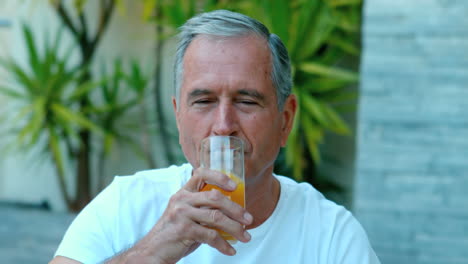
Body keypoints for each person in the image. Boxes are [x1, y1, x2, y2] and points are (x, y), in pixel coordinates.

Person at [50, 9, 380, 264]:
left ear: (285, 120)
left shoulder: (331, 234)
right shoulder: (127, 204)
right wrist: (149, 253)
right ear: (179, 116)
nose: (224, 125)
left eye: (247, 101)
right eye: (204, 101)